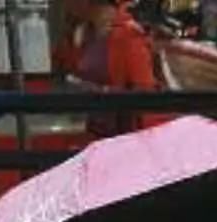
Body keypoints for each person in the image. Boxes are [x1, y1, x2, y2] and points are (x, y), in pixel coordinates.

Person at [55, 0, 157, 137]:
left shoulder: (128, 36)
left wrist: (101, 91)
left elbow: (145, 93)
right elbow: (61, 67)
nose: (66, 4)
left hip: (124, 135)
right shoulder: (84, 33)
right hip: (95, 129)